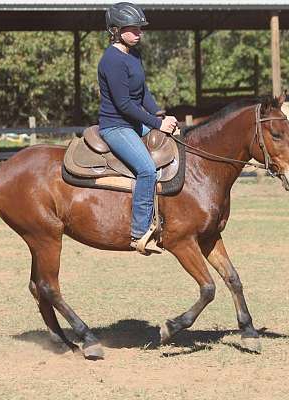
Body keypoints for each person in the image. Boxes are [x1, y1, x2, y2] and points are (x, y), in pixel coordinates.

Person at [98, 2, 178, 255]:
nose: (138, 32)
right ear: (115, 30)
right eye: (132, 28)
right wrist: (156, 124)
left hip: (136, 123)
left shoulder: (134, 55)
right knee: (146, 170)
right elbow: (123, 104)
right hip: (116, 126)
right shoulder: (111, 60)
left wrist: (161, 117)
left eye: (139, 28)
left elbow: (143, 93)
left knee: (176, 143)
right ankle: (140, 233)